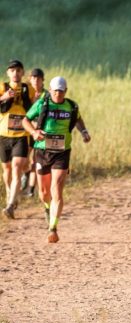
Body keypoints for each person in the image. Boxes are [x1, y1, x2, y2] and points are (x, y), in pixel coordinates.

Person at [22, 76, 91, 243]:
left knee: (57, 190)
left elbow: (78, 119)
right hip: (42, 151)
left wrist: (84, 131)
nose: (58, 94)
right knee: (44, 193)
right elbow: (26, 120)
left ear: (65, 91)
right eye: (55, 91)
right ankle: (47, 208)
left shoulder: (72, 106)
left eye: (61, 91)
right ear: (50, 91)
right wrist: (34, 132)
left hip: (62, 152)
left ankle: (53, 228)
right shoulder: (42, 104)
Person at [0, 59, 36, 218]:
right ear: (8, 73)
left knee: (17, 167)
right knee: (6, 170)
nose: (15, 73)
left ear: (22, 73)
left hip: (21, 134)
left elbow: (34, 108)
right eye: (12, 70)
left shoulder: (28, 89)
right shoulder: (2, 87)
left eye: (18, 70)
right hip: (3, 134)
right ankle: (11, 196)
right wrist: (5, 97)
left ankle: (9, 206)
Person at [22, 68, 46, 197]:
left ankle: (30, 190)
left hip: (39, 132)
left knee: (35, 160)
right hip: (26, 131)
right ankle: (25, 174)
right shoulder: (25, 93)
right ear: (30, 79)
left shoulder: (47, 95)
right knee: (23, 159)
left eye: (38, 78)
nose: (36, 80)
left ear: (43, 80)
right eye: (33, 78)